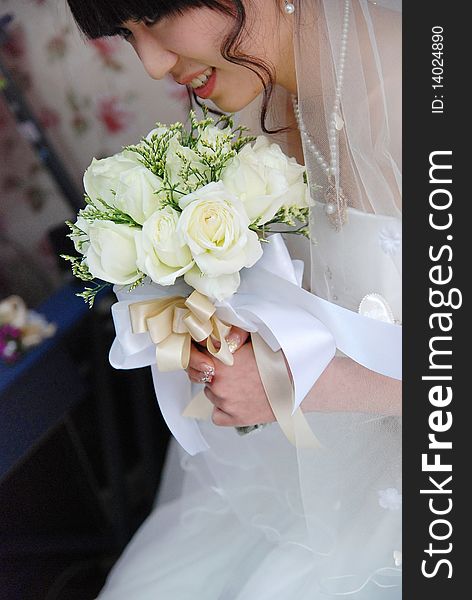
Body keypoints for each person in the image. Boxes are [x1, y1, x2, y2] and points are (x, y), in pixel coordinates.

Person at [67, 1, 402, 598]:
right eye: (127, 34)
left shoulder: (430, 88)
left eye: (154, 16)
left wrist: (294, 383)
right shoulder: (273, 102)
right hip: (325, 474)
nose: (151, 63)